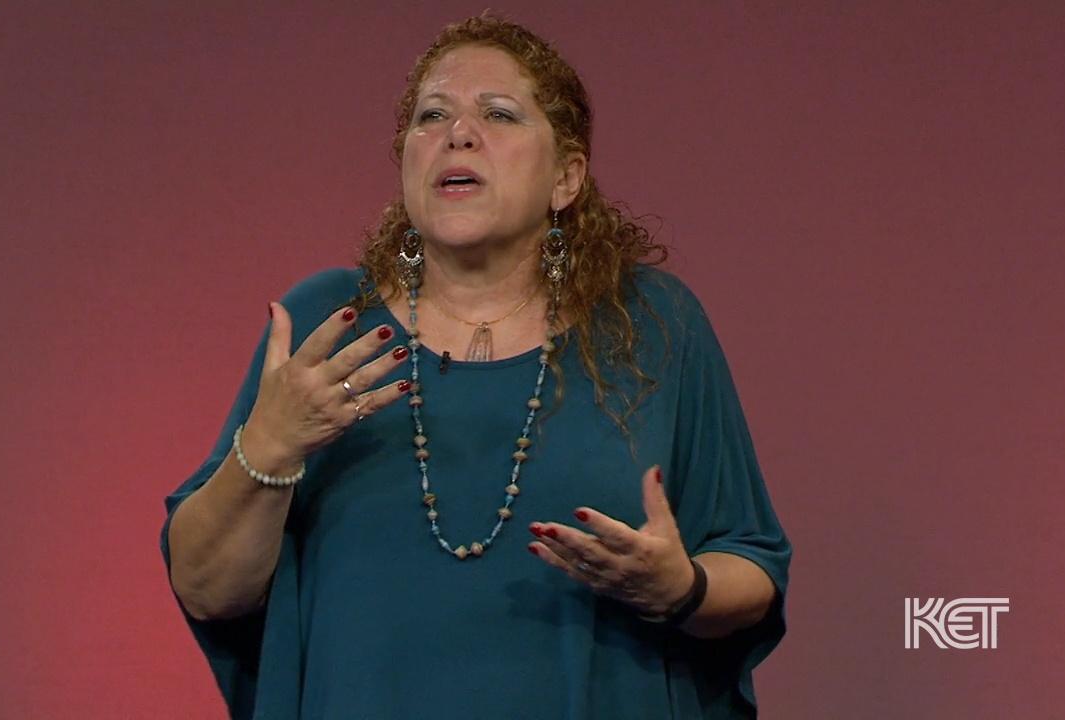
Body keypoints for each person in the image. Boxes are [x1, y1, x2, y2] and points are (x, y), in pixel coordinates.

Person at [162, 13, 791, 720]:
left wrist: (681, 590)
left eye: (498, 113)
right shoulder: (328, 325)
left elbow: (755, 565)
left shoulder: (652, 325)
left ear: (566, 177)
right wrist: (269, 448)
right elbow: (207, 587)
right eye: (432, 115)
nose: (458, 133)